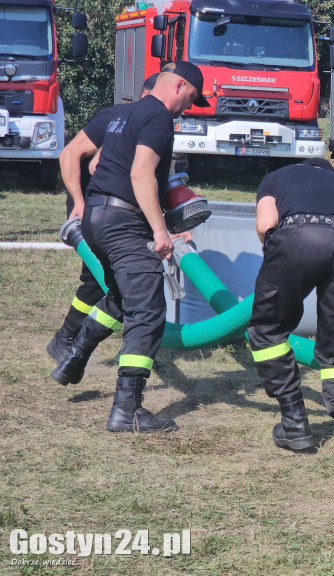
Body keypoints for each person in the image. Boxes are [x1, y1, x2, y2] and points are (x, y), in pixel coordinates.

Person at [50, 62, 208, 433]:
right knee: (148, 312)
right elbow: (139, 174)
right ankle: (127, 410)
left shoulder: (126, 113)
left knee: (122, 294)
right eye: (191, 98)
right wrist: (160, 232)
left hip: (99, 219)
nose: (189, 107)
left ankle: (74, 355)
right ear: (179, 85)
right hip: (123, 222)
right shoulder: (158, 117)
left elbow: (101, 164)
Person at [248, 158, 334, 466]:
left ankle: (294, 423)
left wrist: (282, 265)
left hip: (298, 234)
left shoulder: (278, 176)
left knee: (268, 329)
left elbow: (266, 225)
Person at [49, 74, 160, 364]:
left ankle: (71, 344)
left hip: (115, 211)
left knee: (108, 282)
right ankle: (67, 340)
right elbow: (70, 154)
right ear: (147, 95)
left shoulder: (150, 123)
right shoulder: (117, 115)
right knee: (99, 278)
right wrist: (79, 203)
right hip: (94, 208)